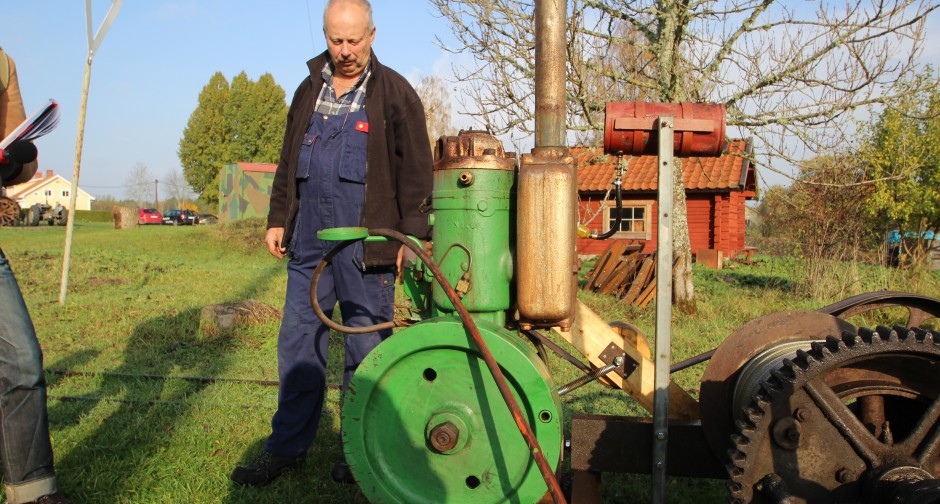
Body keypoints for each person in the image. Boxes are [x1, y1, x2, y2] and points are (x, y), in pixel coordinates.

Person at [230, 0, 433, 487]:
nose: (345, 51)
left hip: (368, 243)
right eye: (336, 40)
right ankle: (287, 447)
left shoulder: (395, 95)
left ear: (372, 34)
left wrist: (412, 236)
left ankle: (361, 448)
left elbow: (417, 172)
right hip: (309, 243)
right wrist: (278, 217)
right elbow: (287, 162)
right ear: (325, 36)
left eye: (354, 40)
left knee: (366, 348)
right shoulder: (307, 90)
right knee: (299, 344)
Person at [0, 48, 74, 504]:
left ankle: (31, 491)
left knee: (23, 360)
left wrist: (15, 158)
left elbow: (24, 156)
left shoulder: (3, 62)